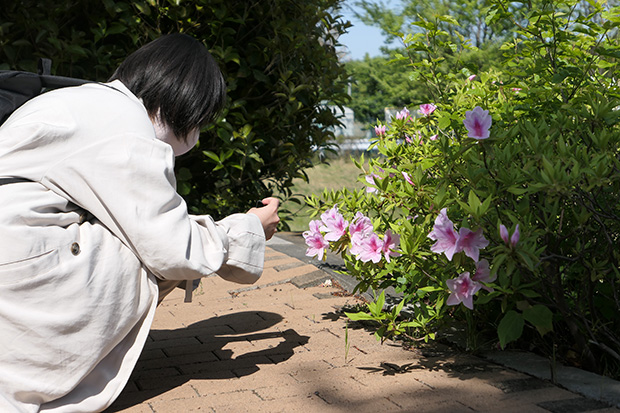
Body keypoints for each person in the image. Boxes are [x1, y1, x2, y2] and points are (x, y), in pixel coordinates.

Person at [0, 33, 279, 412]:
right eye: (199, 121)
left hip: (15, 267)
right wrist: (248, 229)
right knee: (145, 252)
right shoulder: (125, 126)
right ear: (185, 102)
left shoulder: (89, 103)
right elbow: (171, 246)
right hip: (21, 282)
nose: (196, 136)